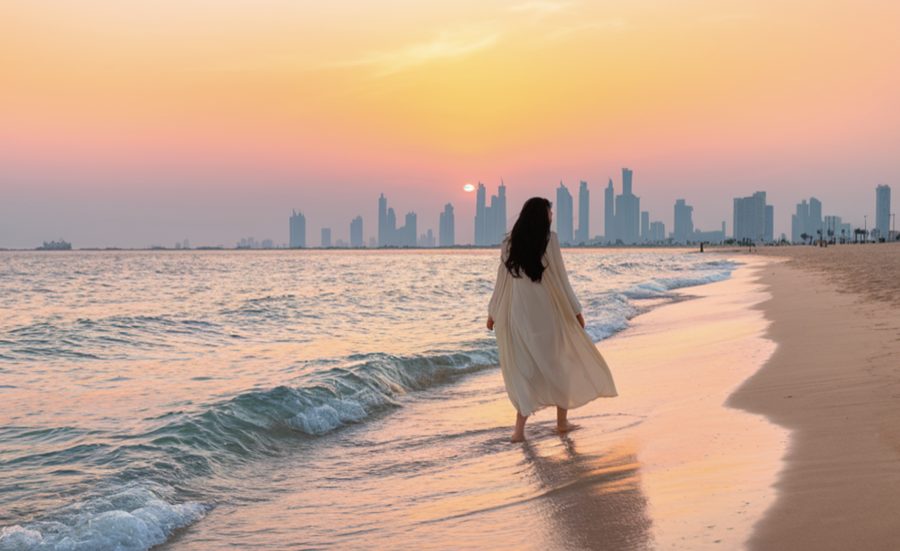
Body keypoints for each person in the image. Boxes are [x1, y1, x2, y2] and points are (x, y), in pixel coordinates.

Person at [487, 197, 617, 442]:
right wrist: (576, 311)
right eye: (550, 212)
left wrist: (492, 313)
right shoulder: (550, 240)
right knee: (559, 364)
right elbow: (561, 279)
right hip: (546, 314)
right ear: (541, 215)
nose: (552, 216)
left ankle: (518, 432)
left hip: (519, 316)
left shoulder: (508, 243)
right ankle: (561, 423)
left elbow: (501, 281)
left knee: (526, 370)